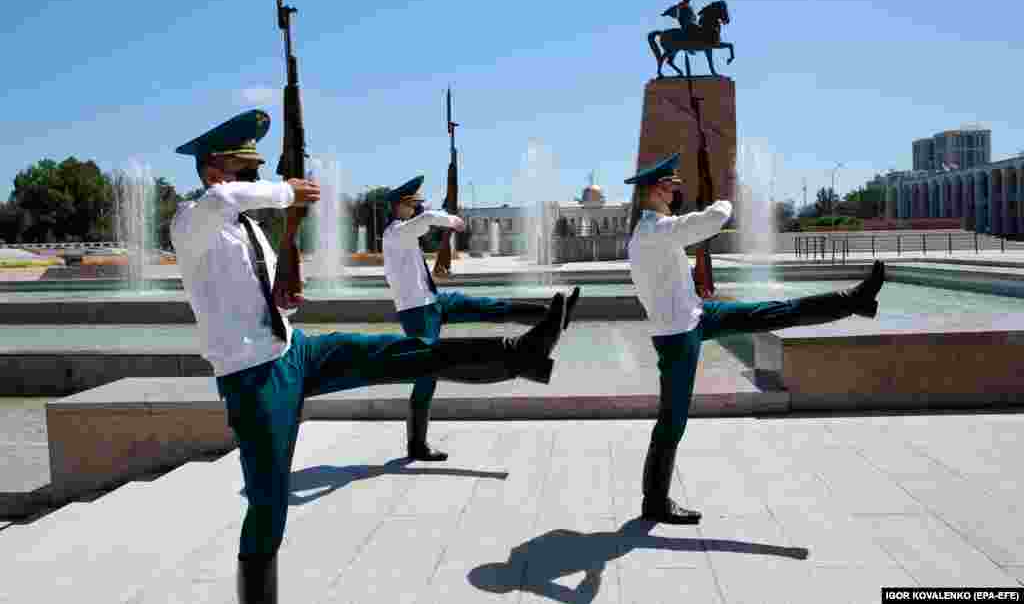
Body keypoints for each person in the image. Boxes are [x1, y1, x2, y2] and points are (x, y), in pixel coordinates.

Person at [170, 110, 569, 603]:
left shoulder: (245, 226)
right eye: (248, 171)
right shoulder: (192, 220)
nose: (258, 181)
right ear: (214, 171)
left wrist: (282, 295)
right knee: (269, 503)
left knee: (401, 353)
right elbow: (224, 200)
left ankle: (519, 353)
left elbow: (252, 289)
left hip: (294, 351)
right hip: (252, 377)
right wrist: (287, 191)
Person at [625, 152, 885, 524]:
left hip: (696, 316)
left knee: (771, 311)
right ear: (655, 189)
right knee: (673, 421)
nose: (675, 190)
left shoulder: (656, 231)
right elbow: (714, 219)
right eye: (670, 185)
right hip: (678, 336)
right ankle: (654, 501)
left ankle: (853, 301)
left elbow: (668, 281)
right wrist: (726, 196)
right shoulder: (654, 232)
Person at [381, 175, 580, 461]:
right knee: (426, 373)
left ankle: (554, 314)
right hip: (416, 311)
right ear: (400, 205)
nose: (415, 208)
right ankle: (417, 444)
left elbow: (420, 227)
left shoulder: (405, 231)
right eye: (412, 204)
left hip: (433, 302)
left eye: (416, 204)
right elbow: (424, 223)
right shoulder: (395, 233)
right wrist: (450, 220)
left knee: (486, 306)